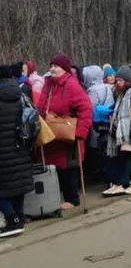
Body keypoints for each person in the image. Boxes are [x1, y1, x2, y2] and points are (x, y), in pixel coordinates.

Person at [36, 54, 92, 209]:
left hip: (67, 132)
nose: (52, 69)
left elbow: (86, 109)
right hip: (51, 132)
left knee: (67, 166)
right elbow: (41, 106)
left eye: (56, 66)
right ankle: (55, 198)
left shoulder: (71, 85)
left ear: (65, 69)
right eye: (51, 65)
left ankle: (72, 199)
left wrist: (80, 133)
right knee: (53, 166)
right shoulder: (48, 85)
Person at [0, 65, 34, 238]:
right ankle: (19, 217)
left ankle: (11, 219)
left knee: (3, 189)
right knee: (18, 185)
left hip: (3, 152)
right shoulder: (21, 95)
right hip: (21, 147)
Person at [104, 66, 131, 196]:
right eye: (117, 80)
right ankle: (122, 183)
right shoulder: (122, 94)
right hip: (126, 129)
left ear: (127, 81)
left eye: (120, 80)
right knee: (126, 157)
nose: (117, 83)